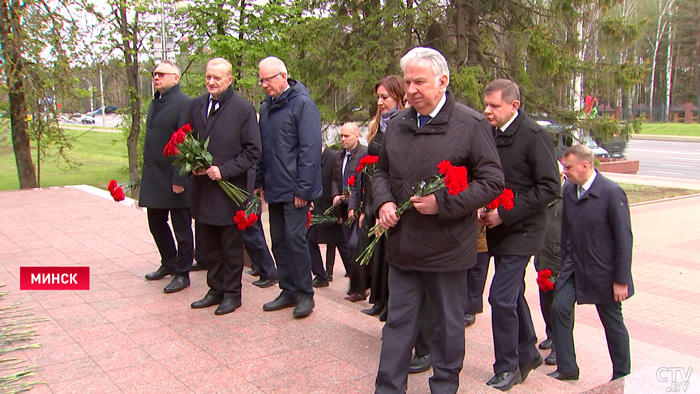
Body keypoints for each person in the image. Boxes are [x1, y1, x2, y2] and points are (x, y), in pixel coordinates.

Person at [373, 47, 504, 394]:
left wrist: (442, 203)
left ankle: (444, 387)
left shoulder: (470, 124)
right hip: (403, 246)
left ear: (442, 82)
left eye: (420, 81)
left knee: (447, 328)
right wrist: (384, 201)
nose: (412, 89)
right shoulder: (398, 124)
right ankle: (387, 388)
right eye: (408, 82)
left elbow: (492, 182)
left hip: (447, 248)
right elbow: (381, 172)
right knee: (398, 325)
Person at [481, 79, 560, 391]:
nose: (487, 110)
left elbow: (550, 187)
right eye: (485, 104)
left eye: (494, 106)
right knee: (511, 294)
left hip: (524, 229)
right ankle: (528, 351)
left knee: (499, 297)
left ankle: (508, 367)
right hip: (498, 227)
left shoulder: (534, 135)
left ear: (514, 106)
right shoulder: (489, 132)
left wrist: (506, 213)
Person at [549, 144, 634, 382]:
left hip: (604, 272)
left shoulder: (611, 192)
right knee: (559, 307)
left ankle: (622, 374)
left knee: (612, 323)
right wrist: (564, 265)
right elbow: (566, 232)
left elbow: (624, 239)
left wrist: (621, 279)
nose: (564, 172)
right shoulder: (569, 191)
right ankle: (567, 367)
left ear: (585, 165)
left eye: (569, 167)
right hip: (575, 268)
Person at [187, 58, 261, 315]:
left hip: (229, 192)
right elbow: (189, 140)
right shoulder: (196, 105)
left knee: (230, 248)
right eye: (208, 77)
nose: (211, 81)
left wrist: (224, 170)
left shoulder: (243, 109)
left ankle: (232, 294)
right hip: (203, 189)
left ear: (230, 79)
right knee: (208, 246)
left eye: (217, 77)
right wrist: (192, 165)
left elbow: (253, 151)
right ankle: (214, 289)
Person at [256, 56, 322, 319]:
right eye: (260, 80)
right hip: (274, 186)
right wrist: (260, 181)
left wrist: (303, 190)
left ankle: (305, 294)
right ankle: (288, 289)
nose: (263, 85)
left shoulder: (302, 104)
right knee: (280, 241)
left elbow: (309, 150)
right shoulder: (266, 108)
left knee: (296, 242)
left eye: (268, 79)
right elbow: (263, 148)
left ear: (283, 77)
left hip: (295, 190)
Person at [354, 75, 406, 318]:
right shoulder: (378, 125)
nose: (380, 102)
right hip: (375, 195)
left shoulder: (403, 125)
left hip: (393, 198)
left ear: (398, 96)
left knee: (388, 253)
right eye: (378, 97)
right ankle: (379, 299)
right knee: (374, 250)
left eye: (385, 97)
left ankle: (390, 304)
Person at [141, 61, 194, 294]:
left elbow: (186, 143)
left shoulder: (184, 103)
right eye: (154, 74)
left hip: (174, 178)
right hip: (154, 177)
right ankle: (169, 262)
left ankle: (182, 273)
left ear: (175, 77)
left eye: (161, 74)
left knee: (181, 228)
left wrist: (180, 177)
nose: (156, 77)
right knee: (156, 223)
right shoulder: (156, 102)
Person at [332, 122, 368, 301]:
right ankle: (355, 286)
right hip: (344, 208)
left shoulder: (364, 154)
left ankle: (361, 288)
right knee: (348, 246)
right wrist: (335, 195)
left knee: (356, 245)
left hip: (359, 207)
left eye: (346, 136)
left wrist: (355, 204)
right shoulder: (340, 156)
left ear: (357, 135)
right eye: (341, 136)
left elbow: (361, 184)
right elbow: (335, 179)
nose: (343, 139)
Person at [534, 161, 565, 366]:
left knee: (560, 307)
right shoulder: (543, 198)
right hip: (543, 259)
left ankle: (560, 348)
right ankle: (551, 335)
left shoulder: (568, 200)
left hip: (561, 262)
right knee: (546, 304)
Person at [307, 144, 346, 287]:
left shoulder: (334, 158)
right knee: (309, 238)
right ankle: (321, 274)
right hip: (318, 208)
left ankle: (358, 281)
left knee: (343, 244)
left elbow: (338, 183)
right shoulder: (313, 158)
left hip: (332, 210)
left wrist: (340, 211)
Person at [463, 225, 489, 326]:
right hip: (466, 240)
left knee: (477, 275)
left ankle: (470, 309)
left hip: (482, 242)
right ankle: (472, 305)